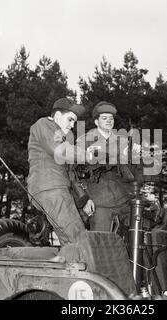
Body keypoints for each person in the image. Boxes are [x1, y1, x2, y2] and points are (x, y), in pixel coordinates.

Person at [27, 97, 94, 246]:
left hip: (56, 189)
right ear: (57, 116)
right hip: (51, 187)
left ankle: (70, 265)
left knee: (69, 241)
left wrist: (84, 199)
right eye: (70, 120)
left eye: (75, 122)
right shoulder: (44, 124)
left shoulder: (65, 138)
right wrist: (87, 154)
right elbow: (60, 151)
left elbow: (70, 173)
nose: (72, 125)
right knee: (78, 238)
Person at [77, 101, 141, 232]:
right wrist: (84, 199)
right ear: (96, 122)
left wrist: (135, 157)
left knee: (131, 241)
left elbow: (132, 173)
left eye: (111, 118)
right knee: (101, 242)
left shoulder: (122, 141)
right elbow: (76, 174)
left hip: (123, 199)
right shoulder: (85, 141)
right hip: (98, 202)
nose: (109, 121)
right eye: (104, 118)